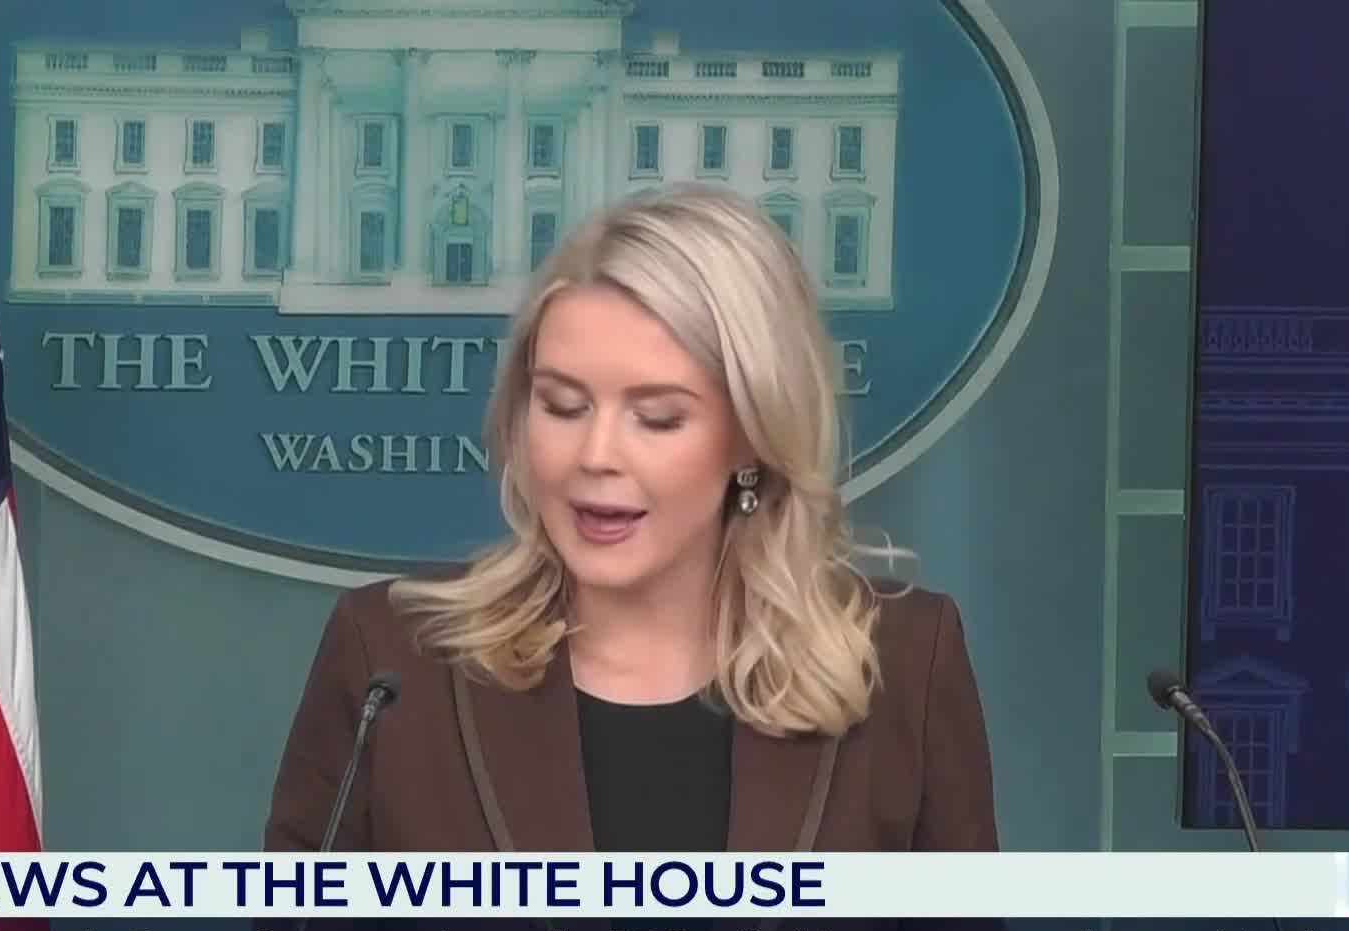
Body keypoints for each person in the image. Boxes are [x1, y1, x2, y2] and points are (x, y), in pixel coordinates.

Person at [262, 183, 998, 861]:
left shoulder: (905, 665)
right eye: (563, 406)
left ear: (752, 434)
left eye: (657, 417)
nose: (596, 455)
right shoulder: (389, 662)